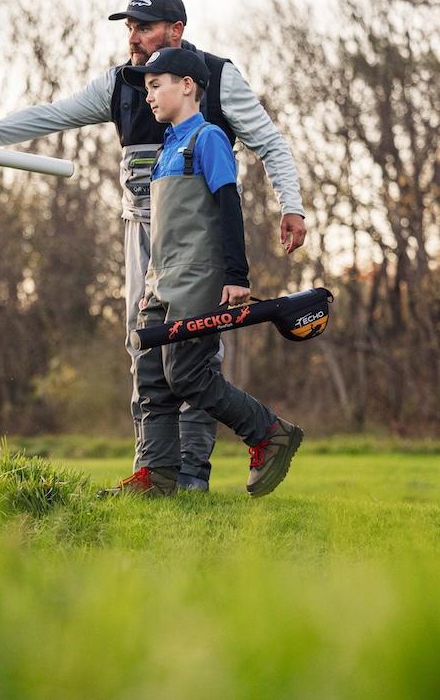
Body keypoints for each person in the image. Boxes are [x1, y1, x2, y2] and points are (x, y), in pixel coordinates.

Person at [0, 0, 306, 492]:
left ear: (176, 30)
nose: (134, 38)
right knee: (142, 347)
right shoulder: (122, 85)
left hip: (193, 240)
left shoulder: (214, 78)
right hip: (139, 233)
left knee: (192, 355)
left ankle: (192, 473)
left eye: (144, 27)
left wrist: (290, 205)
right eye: (129, 28)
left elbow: (268, 142)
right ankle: (155, 469)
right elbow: (55, 113)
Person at [101, 46, 304, 497]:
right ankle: (157, 476)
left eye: (156, 86)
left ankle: (270, 434)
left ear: (187, 86)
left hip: (198, 278)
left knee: (189, 375)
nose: (149, 97)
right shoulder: (166, 147)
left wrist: (237, 276)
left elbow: (229, 209)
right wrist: (149, 284)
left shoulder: (208, 138)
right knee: (151, 375)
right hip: (160, 281)